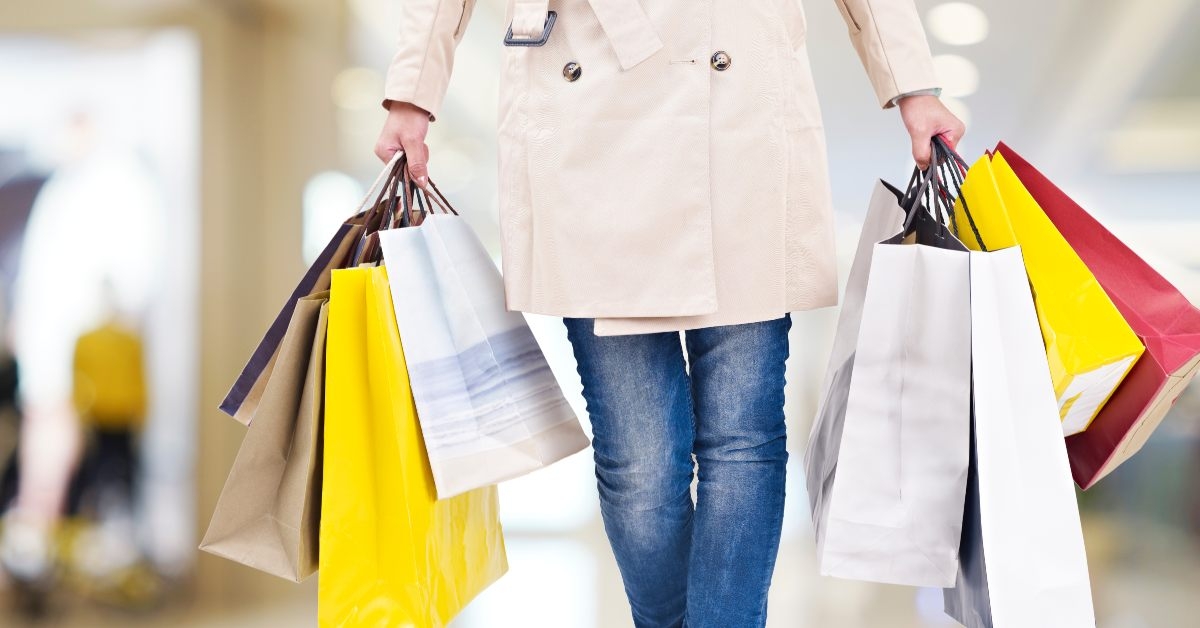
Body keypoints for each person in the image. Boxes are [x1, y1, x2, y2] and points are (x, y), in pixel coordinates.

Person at [375, 2, 964, 626]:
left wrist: (911, 84)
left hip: (740, 107)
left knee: (743, 439)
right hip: (587, 100)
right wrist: (412, 94)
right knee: (641, 463)